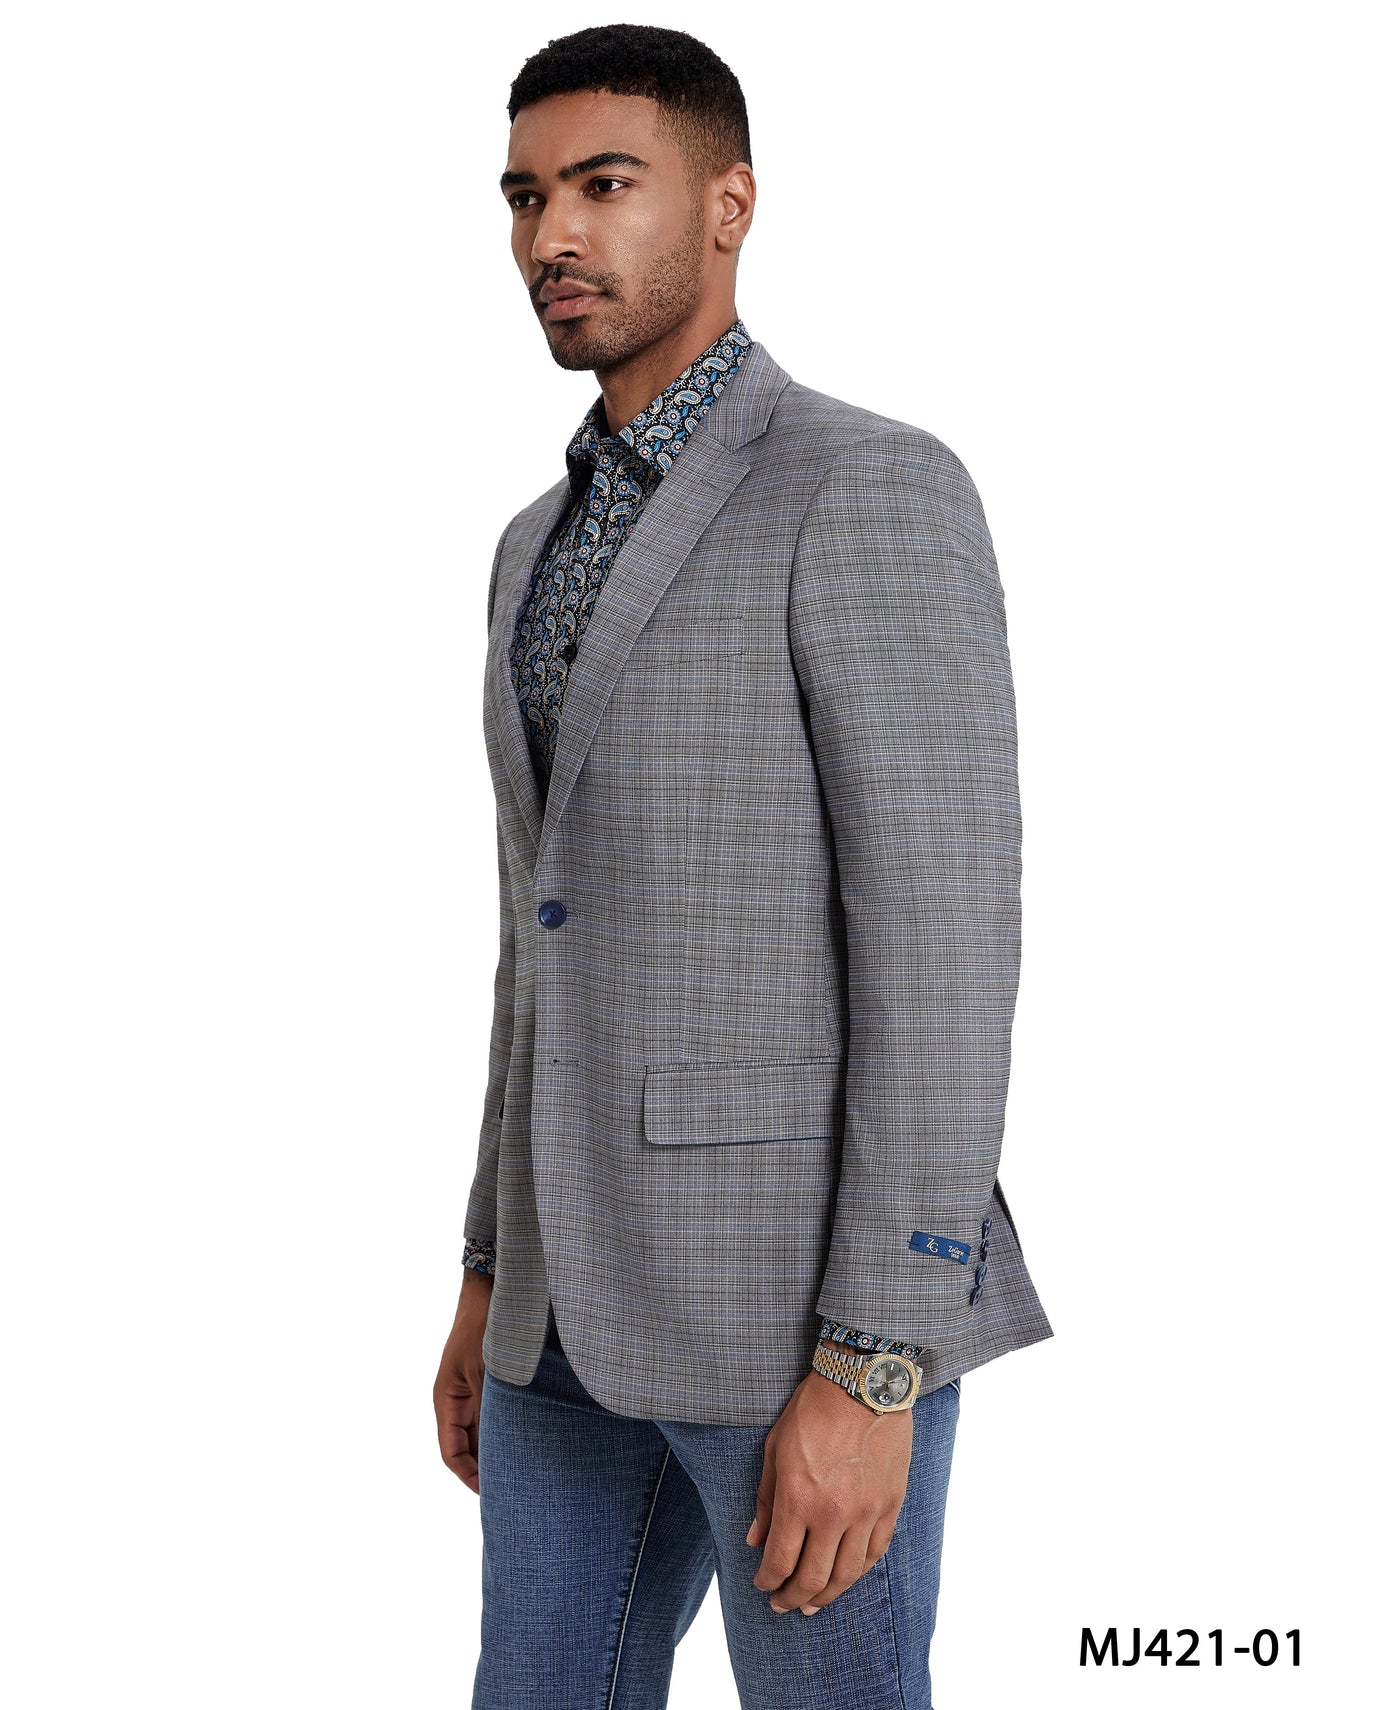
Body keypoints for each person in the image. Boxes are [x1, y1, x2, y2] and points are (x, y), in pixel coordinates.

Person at [433, 23, 1052, 1708]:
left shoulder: (868, 486)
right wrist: (490, 1266)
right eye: (525, 197)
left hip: (795, 1319)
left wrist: (879, 1357)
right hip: (559, 1316)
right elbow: (538, 939)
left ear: (730, 205)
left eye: (604, 185)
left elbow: (942, 946)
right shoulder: (533, 543)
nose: (554, 235)